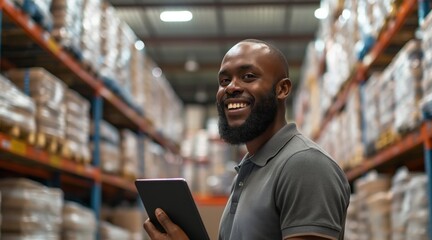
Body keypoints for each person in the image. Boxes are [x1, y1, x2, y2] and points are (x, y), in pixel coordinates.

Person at [143, 39, 351, 240]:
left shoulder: (305, 165)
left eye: (249, 76)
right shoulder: (248, 170)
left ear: (282, 89)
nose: (231, 87)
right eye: (224, 81)